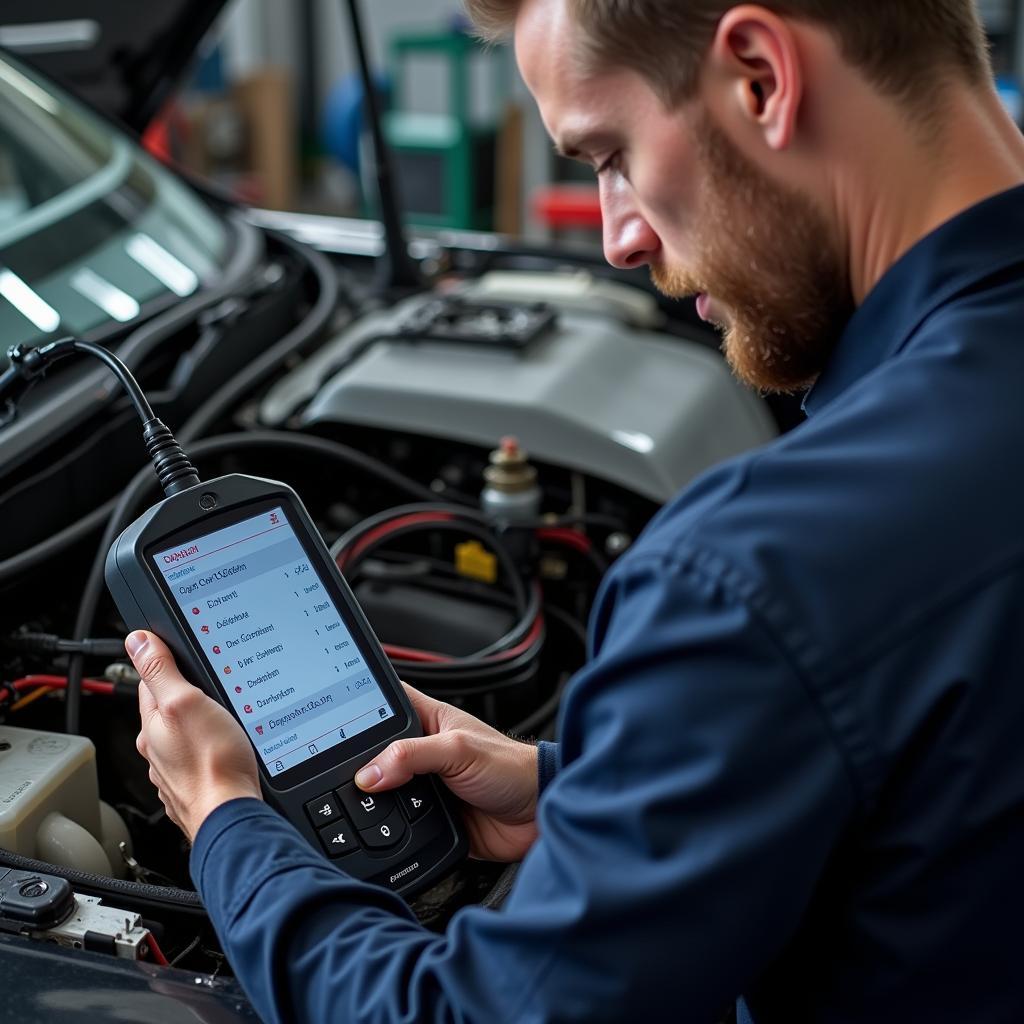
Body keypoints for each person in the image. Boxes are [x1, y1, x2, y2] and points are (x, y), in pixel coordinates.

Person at [127, 1, 1024, 1020]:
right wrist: (581, 795)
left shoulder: (761, 574)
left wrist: (230, 824)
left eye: (609, 154)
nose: (617, 238)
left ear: (761, 79)